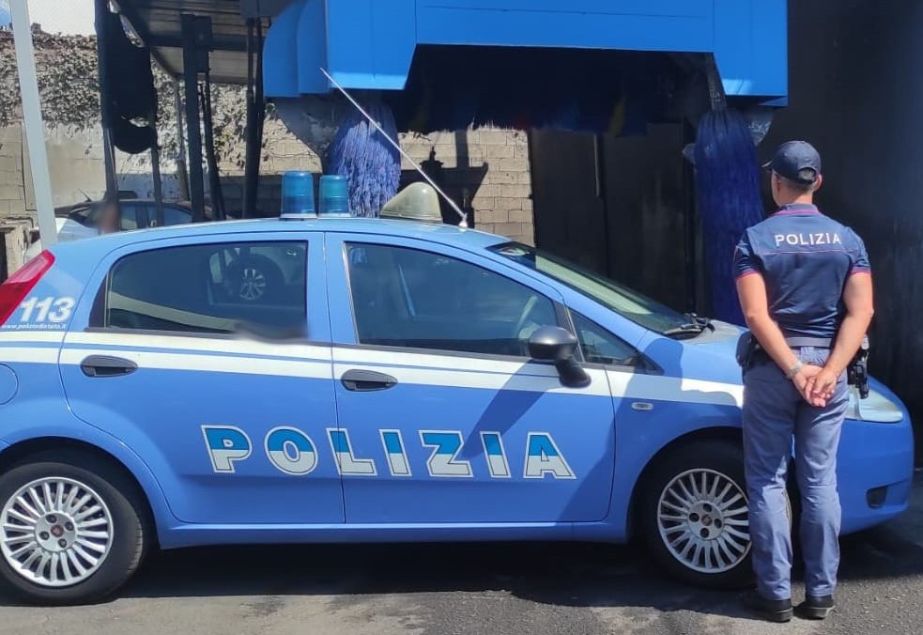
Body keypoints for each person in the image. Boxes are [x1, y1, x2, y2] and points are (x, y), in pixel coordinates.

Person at [733, 141, 874, 622]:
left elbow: (756, 315)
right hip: (828, 372)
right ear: (818, 182)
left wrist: (794, 369)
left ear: (776, 182)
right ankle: (820, 594)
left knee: (767, 480)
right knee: (819, 481)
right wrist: (829, 371)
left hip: (774, 369)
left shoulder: (755, 239)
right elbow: (861, 311)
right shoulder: (848, 240)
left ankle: (773, 595)